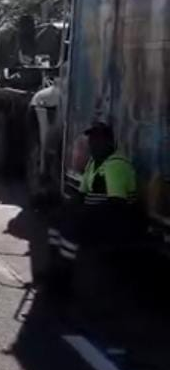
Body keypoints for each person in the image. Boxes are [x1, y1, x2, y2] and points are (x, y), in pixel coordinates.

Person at [46, 120, 138, 281]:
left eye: (97, 140)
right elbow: (82, 194)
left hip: (118, 219)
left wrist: (82, 213)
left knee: (72, 225)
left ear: (108, 143)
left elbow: (117, 204)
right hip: (98, 213)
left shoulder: (116, 164)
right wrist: (67, 207)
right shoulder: (94, 163)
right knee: (57, 216)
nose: (92, 144)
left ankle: (64, 275)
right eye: (91, 140)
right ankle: (55, 265)